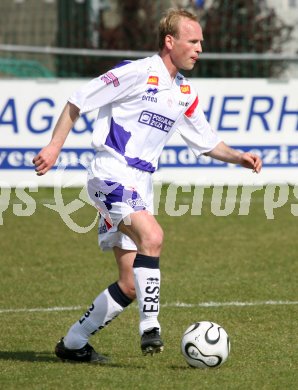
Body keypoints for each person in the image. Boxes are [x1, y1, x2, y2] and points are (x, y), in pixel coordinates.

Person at [33, 8, 262, 363]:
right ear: (170, 42)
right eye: (193, 40)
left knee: (129, 282)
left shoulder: (184, 91)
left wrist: (238, 156)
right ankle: (150, 328)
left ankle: (74, 345)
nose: (200, 47)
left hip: (141, 183)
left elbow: (206, 142)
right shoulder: (137, 72)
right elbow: (79, 98)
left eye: (201, 41)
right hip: (110, 171)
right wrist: (53, 146)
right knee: (152, 237)